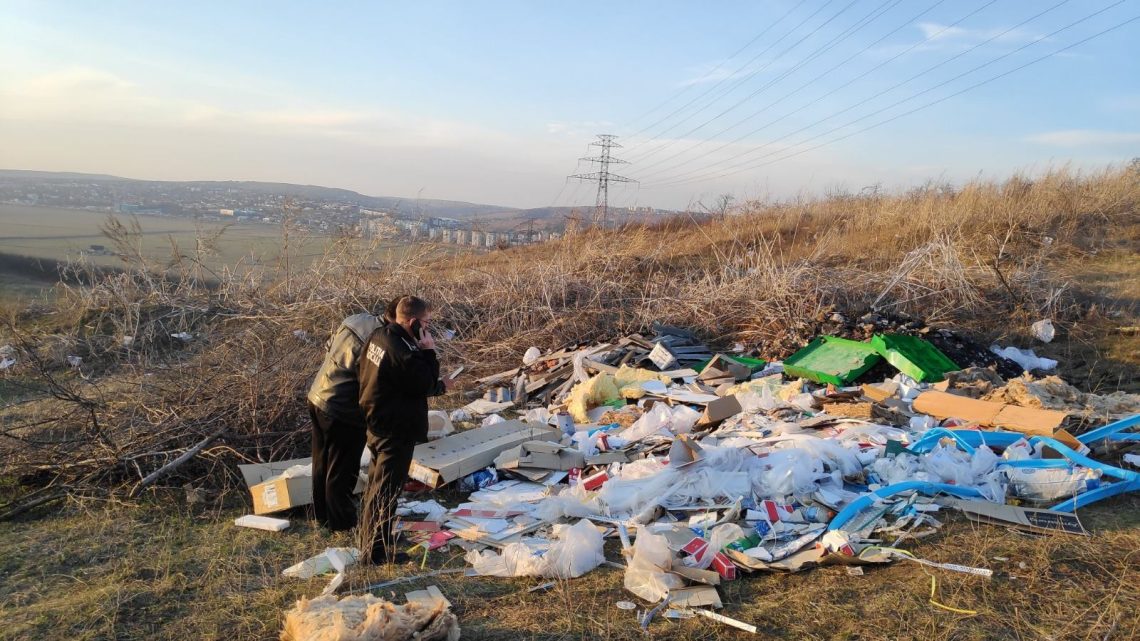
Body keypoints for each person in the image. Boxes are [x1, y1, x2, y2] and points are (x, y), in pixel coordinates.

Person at [357, 295, 449, 564]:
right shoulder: (404, 349)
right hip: (395, 429)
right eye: (426, 323)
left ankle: (373, 542)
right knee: (385, 492)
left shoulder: (379, 336)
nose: (428, 328)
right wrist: (429, 350)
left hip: (376, 421)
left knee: (376, 487)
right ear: (413, 322)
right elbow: (425, 382)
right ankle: (374, 554)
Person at [305, 297, 405, 531]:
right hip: (343, 408)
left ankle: (320, 515)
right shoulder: (382, 340)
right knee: (342, 469)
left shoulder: (355, 319)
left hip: (318, 394)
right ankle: (341, 524)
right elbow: (374, 380)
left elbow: (329, 346)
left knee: (321, 461)